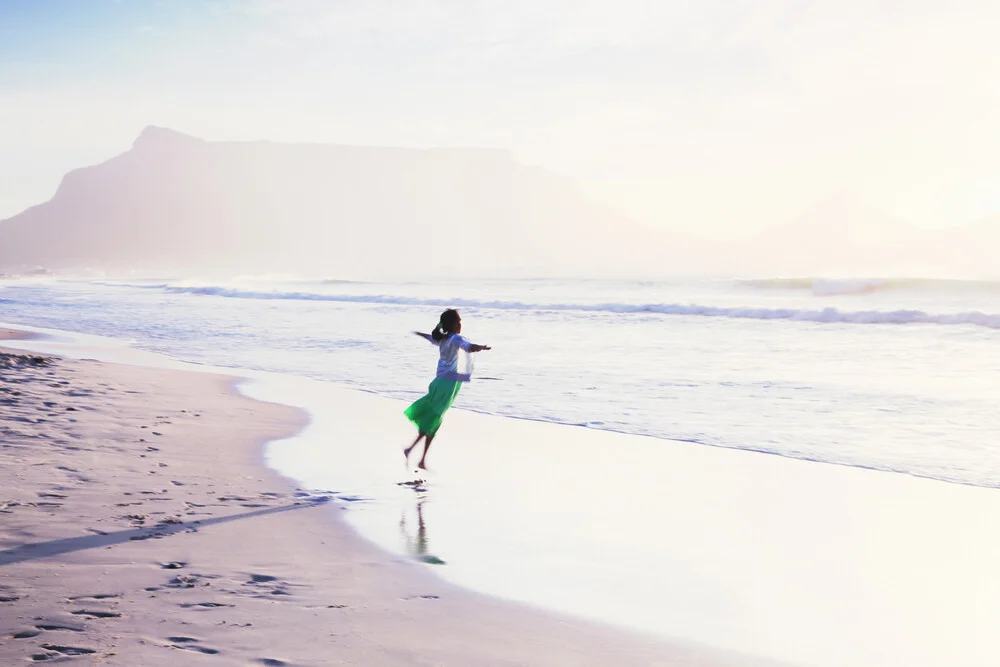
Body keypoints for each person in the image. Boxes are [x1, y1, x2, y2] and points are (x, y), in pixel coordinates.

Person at [404, 309, 491, 470]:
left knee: (434, 421)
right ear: (453, 324)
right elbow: (467, 346)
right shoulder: (455, 338)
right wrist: (480, 347)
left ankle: (417, 455)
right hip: (447, 384)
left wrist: (420, 334)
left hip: (441, 382)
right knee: (433, 420)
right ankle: (413, 452)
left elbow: (431, 338)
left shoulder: (443, 339)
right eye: (459, 322)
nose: (460, 325)